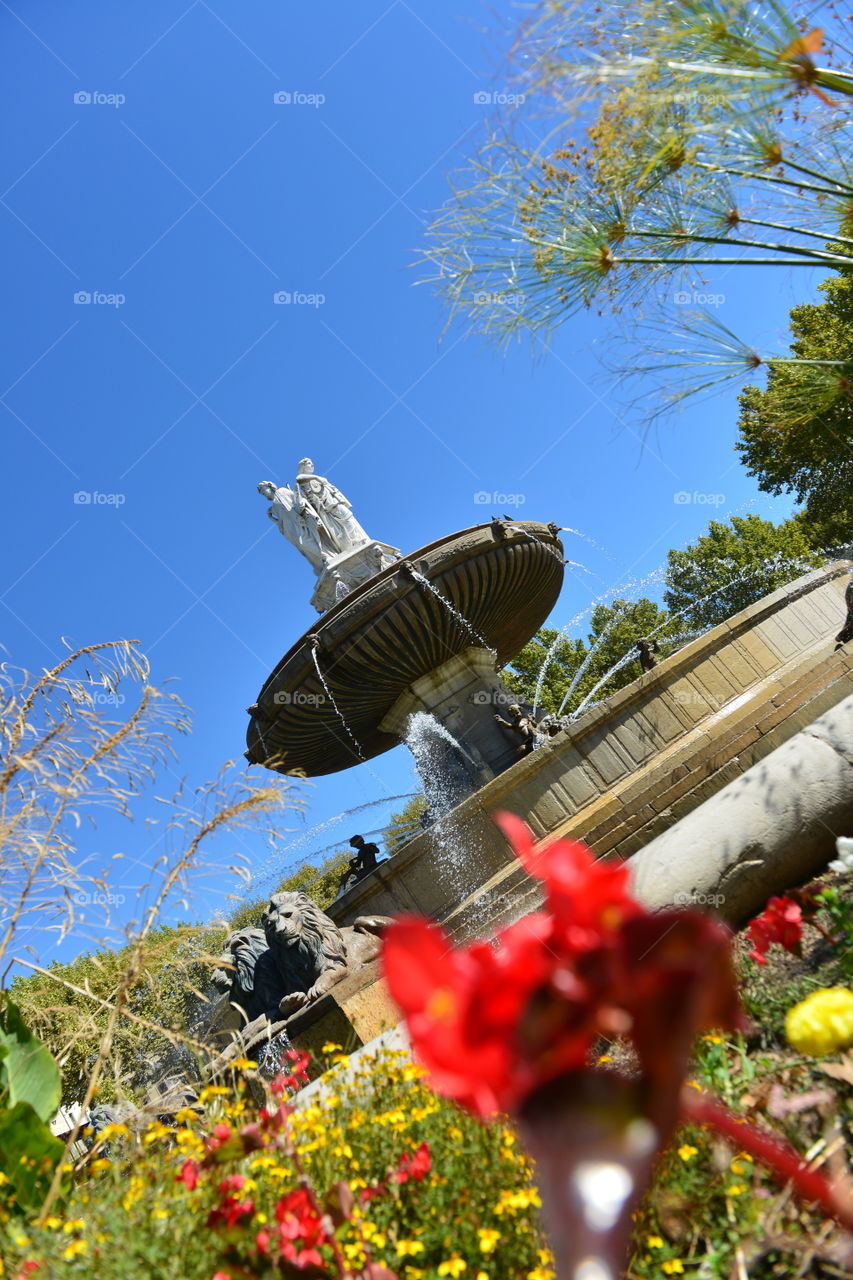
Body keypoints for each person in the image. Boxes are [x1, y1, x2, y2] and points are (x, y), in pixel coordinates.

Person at [295, 458, 372, 557]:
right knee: (342, 521)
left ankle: (355, 538)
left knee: (348, 517)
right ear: (303, 467)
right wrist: (318, 478)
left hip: (332, 502)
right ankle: (352, 541)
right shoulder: (304, 478)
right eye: (309, 463)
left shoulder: (312, 478)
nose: (312, 465)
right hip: (325, 506)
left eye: (312, 463)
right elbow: (299, 478)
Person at [257, 479, 333, 575]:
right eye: (263, 493)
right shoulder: (274, 507)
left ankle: (326, 556)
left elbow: (297, 499)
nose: (264, 494)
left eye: (264, 490)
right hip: (291, 529)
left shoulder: (282, 491)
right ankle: (322, 561)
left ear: (270, 487)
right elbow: (281, 523)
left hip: (300, 522)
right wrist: (272, 518)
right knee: (303, 546)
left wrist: (301, 509)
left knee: (306, 542)